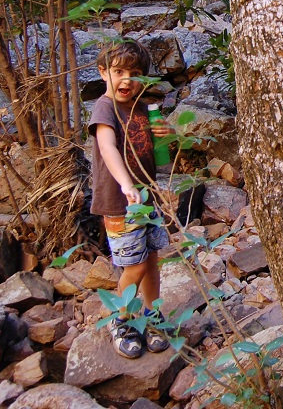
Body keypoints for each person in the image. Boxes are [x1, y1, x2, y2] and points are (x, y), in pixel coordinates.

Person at [89, 38, 172, 358]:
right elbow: (107, 147)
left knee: (151, 260)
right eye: (118, 71)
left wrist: (167, 135)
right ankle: (120, 319)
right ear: (103, 72)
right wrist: (125, 183)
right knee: (134, 264)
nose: (127, 80)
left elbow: (161, 158)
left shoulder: (142, 108)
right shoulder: (104, 107)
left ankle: (152, 315)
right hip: (120, 202)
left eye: (135, 73)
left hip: (147, 199)